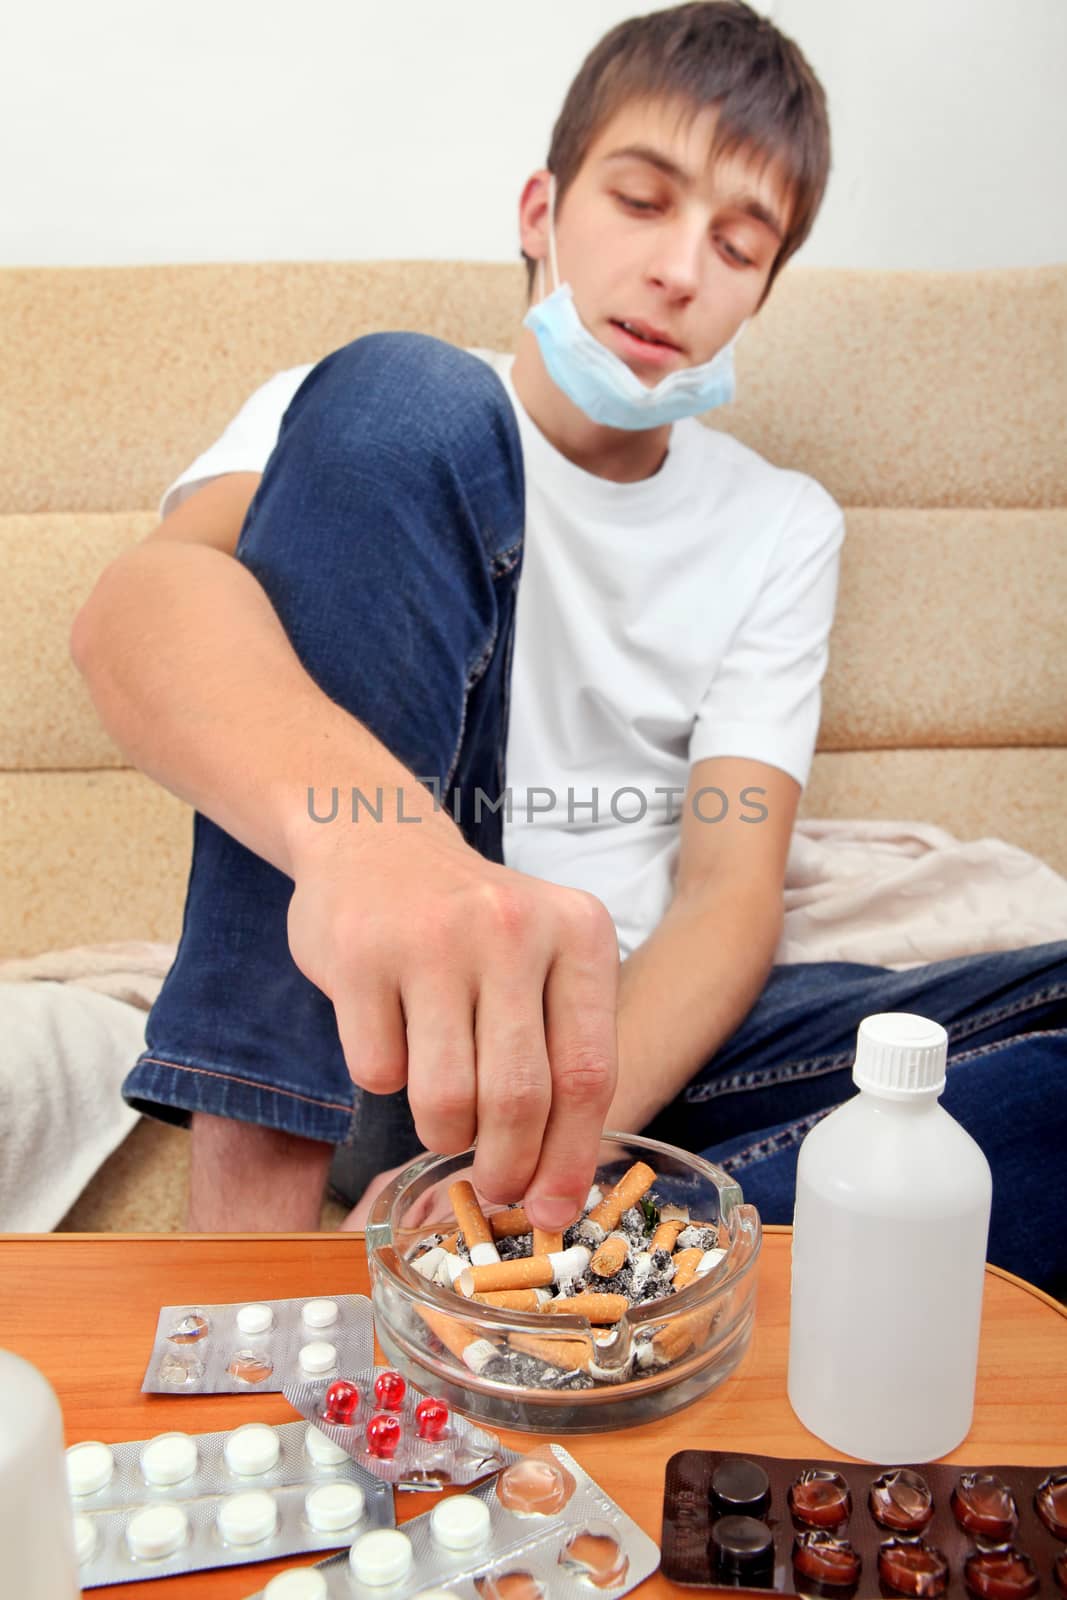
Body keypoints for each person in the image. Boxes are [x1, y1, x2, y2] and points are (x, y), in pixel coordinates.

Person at [72, 2, 1066, 1293]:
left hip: (636, 1043)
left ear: (762, 289)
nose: (679, 271)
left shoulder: (778, 523)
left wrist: (566, 1145)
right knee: (407, 390)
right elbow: (139, 613)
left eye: (738, 244)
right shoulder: (358, 417)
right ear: (542, 211)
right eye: (643, 202)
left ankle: (559, 1259)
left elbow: (726, 890)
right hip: (399, 1009)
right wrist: (382, 848)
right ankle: (250, 1275)